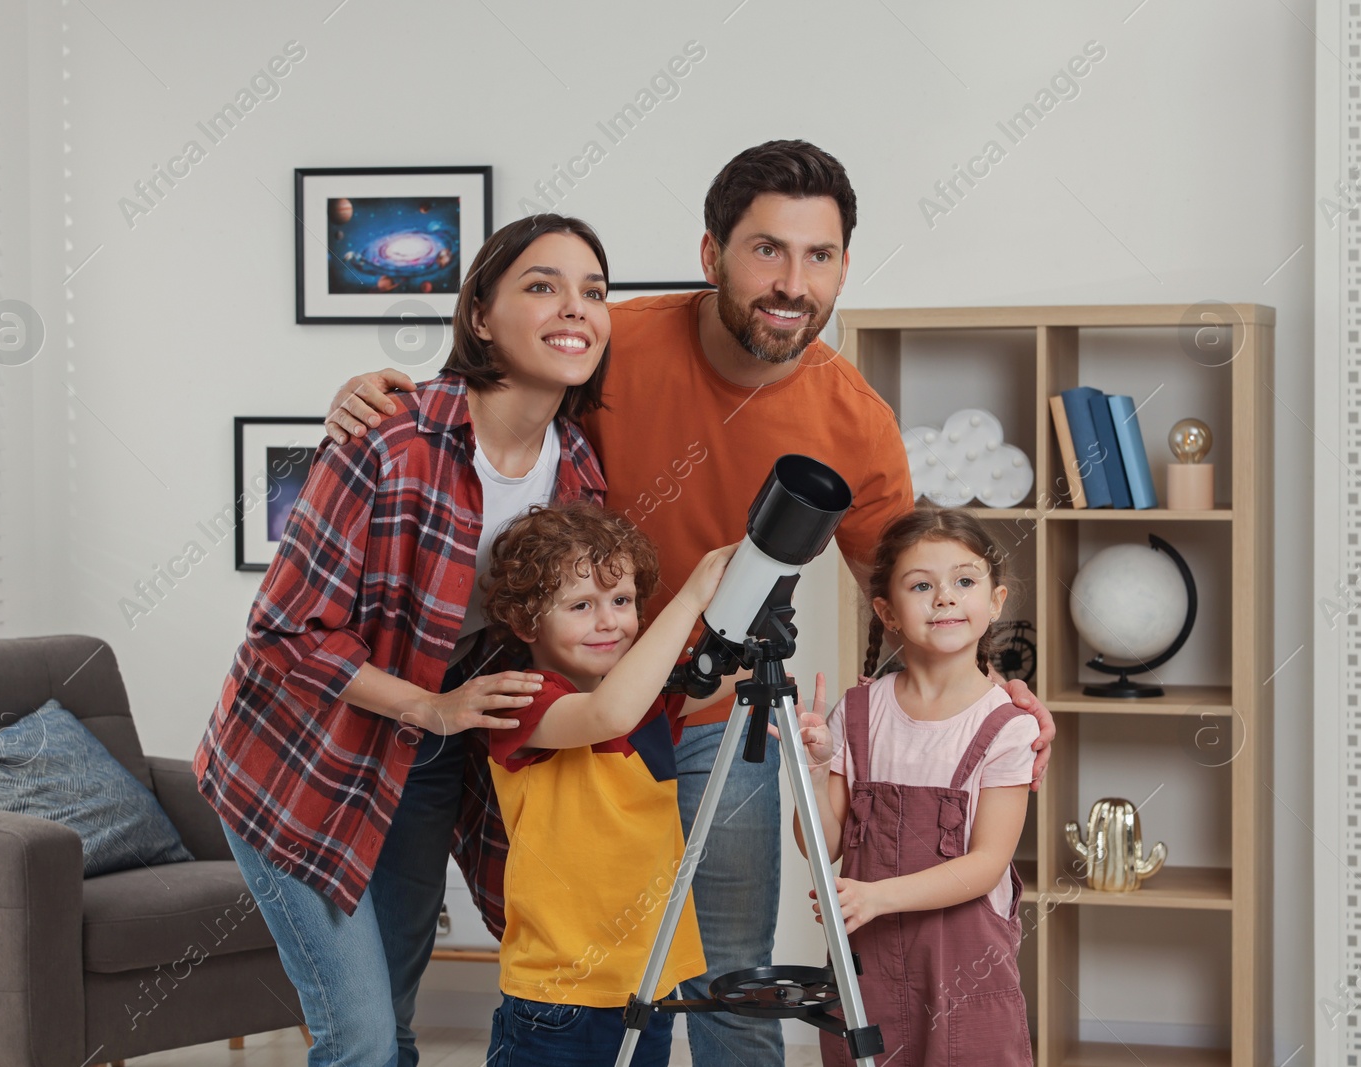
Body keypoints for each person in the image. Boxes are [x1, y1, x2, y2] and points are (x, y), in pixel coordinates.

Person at [324, 140, 1056, 1066]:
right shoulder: (613, 346)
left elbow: (913, 588)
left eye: (820, 256)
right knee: (570, 964)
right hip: (562, 707)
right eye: (767, 251)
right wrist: (375, 392)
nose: (793, 282)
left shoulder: (853, 418)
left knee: (730, 973)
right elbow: (486, 399)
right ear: (711, 255)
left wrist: (997, 687)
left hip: (718, 712)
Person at [196, 214, 617, 1067]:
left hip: (426, 760)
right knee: (360, 1039)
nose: (575, 307)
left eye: (594, 292)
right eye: (542, 285)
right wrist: (431, 702)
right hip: (300, 761)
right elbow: (282, 631)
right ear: (480, 317)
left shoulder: (577, 469)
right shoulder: (391, 437)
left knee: (394, 1018)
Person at [479, 502, 736, 1066]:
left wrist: (753, 587)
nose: (609, 621)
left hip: (646, 982)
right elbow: (605, 716)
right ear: (526, 623)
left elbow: (732, 673)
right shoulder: (521, 700)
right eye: (581, 605)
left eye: (621, 601)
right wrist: (691, 599)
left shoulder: (645, 700)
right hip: (559, 991)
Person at [789, 508, 1036, 1066]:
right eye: (922, 585)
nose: (945, 597)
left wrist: (878, 897)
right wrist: (810, 768)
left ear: (995, 601)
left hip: (965, 977)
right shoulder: (856, 713)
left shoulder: (1007, 726)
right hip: (867, 971)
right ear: (887, 612)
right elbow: (821, 847)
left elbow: (987, 865)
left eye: (965, 582)